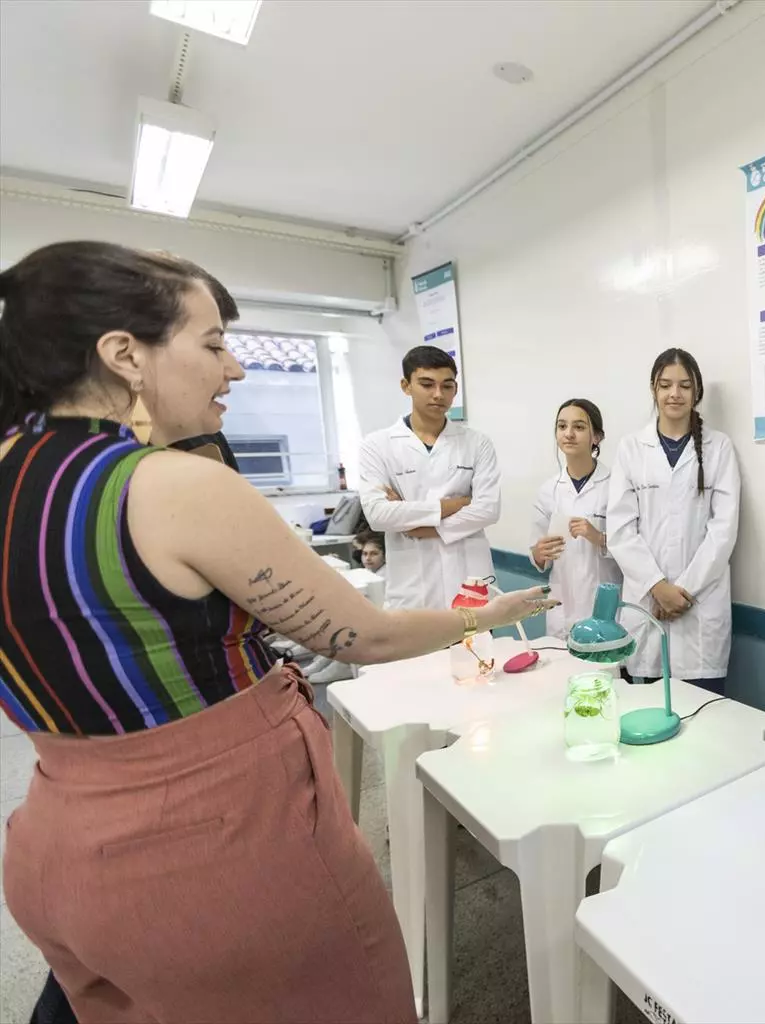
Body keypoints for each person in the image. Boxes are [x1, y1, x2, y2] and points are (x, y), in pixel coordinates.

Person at [0, 241, 555, 1024]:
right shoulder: (170, 487)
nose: (234, 369)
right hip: (216, 849)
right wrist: (488, 615)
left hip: (56, 847)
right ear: (125, 356)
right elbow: (362, 635)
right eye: (213, 345)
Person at [607, 349, 740, 695]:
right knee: (646, 709)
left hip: (699, 609)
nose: (674, 394)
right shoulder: (631, 448)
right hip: (647, 604)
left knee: (703, 711)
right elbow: (620, 530)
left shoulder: (719, 448)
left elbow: (723, 530)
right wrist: (658, 587)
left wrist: (683, 592)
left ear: (697, 391)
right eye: (665, 385)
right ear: (653, 389)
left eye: (684, 385)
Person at [357, 345, 500, 610]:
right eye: (426, 384)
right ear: (406, 386)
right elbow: (377, 515)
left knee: (477, 637)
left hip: (471, 581)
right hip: (413, 588)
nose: (438, 394)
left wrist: (416, 525)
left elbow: (488, 510)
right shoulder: (377, 445)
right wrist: (456, 504)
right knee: (417, 637)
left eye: (447, 386)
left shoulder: (477, 443)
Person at [531, 398, 622, 636]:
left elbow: (632, 546)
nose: (569, 434)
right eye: (562, 426)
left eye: (579, 427)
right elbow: (537, 555)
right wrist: (539, 553)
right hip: (562, 605)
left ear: (597, 437)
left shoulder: (616, 486)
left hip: (604, 604)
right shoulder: (548, 490)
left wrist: (598, 537)